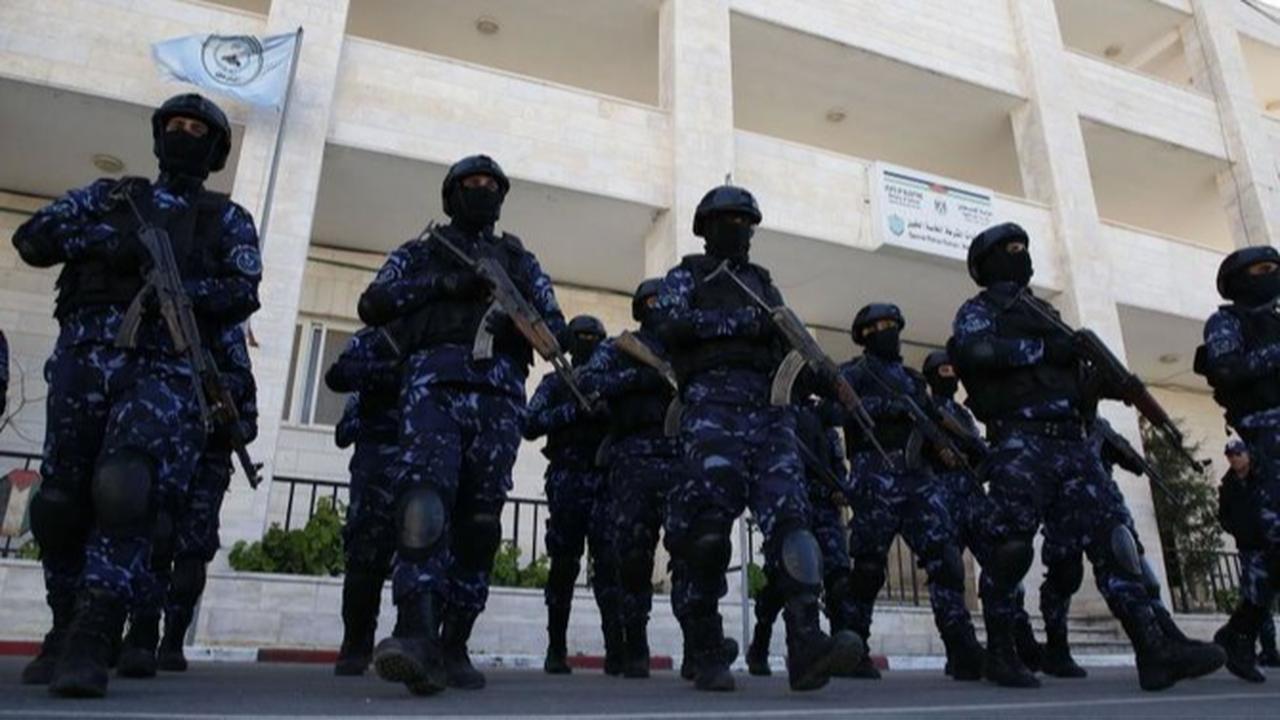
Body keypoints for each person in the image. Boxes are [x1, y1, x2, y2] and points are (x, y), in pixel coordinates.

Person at [13, 93, 261, 698]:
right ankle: (63, 621)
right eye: (175, 125)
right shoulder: (109, 197)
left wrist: (181, 284)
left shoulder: (225, 219)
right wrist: (106, 243)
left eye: (197, 129)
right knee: (60, 500)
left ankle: (96, 632)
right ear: (157, 135)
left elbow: (242, 291)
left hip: (164, 370)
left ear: (215, 150)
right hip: (83, 360)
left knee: (126, 490)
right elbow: (33, 239)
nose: (184, 134)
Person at [950, 221, 1222, 691]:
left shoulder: (1046, 313)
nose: (1021, 254)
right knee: (1010, 549)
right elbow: (974, 354)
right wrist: (1044, 349)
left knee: (1117, 542)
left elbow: (1071, 382)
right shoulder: (980, 310)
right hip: (1022, 442)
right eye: (1010, 248)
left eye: (1023, 247)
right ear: (987, 263)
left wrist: (1104, 384)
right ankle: (1001, 652)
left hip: (1073, 444)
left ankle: (1153, 649)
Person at [358, 154, 569, 696]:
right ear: (451, 195)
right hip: (433, 386)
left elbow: (555, 326)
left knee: (479, 521)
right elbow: (373, 303)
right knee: (423, 502)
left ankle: (454, 642)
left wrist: (516, 316)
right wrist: (443, 284)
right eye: (471, 184)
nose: (481, 192)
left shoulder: (519, 260)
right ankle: (416, 631)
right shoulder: (420, 252)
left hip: (499, 396)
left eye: (490, 185)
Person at [654, 183, 863, 693]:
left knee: (794, 527)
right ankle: (706, 646)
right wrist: (742, 322)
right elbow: (670, 327)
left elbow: (789, 343)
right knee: (707, 533)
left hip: (771, 415)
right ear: (707, 228)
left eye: (747, 223)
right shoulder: (687, 277)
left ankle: (806, 643)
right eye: (730, 221)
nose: (741, 231)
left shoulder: (763, 284)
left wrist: (824, 376)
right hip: (713, 411)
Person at [840, 305, 983, 681]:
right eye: (880, 327)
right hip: (875, 474)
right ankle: (853, 646)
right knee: (869, 567)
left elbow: (931, 422)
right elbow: (835, 409)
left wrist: (946, 447)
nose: (888, 332)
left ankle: (961, 647)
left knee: (946, 560)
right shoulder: (854, 373)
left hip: (918, 479)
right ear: (864, 335)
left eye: (893, 326)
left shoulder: (914, 381)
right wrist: (887, 407)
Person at [119, 323, 258, 677]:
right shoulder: (161, 329)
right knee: (157, 537)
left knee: (194, 550)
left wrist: (227, 418)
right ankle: (142, 630)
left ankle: (173, 638)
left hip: (207, 462)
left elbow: (248, 416)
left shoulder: (227, 340)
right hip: (165, 450)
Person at [577, 280, 681, 678]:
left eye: (665, 301)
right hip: (633, 458)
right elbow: (588, 382)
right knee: (634, 555)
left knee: (693, 551)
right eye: (652, 301)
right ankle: (634, 642)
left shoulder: (684, 349)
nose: (660, 307)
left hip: (680, 458)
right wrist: (637, 381)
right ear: (640, 309)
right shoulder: (619, 349)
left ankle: (700, 645)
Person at [921, 351, 1042, 678]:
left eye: (953, 370)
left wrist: (981, 459)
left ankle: (1019, 637)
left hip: (973, 496)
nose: (951, 376)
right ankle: (960, 649)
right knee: (947, 572)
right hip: (941, 497)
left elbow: (979, 453)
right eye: (944, 371)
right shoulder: (925, 410)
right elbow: (915, 455)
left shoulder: (962, 413)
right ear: (932, 376)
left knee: (1003, 563)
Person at [1197, 245, 1280, 683]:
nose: (1271, 276)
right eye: (1262, 270)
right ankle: (1242, 632)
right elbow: (1227, 370)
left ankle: (1240, 632)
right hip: (1266, 439)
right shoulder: (1226, 322)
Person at [523, 315, 621, 675]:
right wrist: (573, 411)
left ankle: (617, 649)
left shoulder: (611, 383)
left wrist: (609, 413)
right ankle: (556, 648)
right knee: (564, 565)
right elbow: (529, 423)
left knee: (609, 565)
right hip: (567, 479)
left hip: (604, 480)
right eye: (581, 337)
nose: (587, 343)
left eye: (594, 338)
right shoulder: (555, 383)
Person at [746, 384, 856, 679]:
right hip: (792, 504)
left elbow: (836, 462)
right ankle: (760, 643)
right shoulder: (777, 411)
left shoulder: (819, 417)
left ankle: (839, 645)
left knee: (839, 576)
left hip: (823, 506)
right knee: (783, 578)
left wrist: (841, 489)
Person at [325, 325, 408, 676]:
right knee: (364, 553)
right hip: (377, 460)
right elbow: (337, 375)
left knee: (425, 552)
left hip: (427, 455)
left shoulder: (437, 328)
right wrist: (388, 373)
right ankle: (356, 643)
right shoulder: (375, 337)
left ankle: (414, 642)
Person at [1218, 439, 1280, 677]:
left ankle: (1238, 639)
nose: (1234, 458)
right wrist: (1240, 530)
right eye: (1230, 455)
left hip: (1273, 544)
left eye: (1237, 454)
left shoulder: (1265, 475)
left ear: (1248, 454)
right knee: (1257, 596)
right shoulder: (1229, 486)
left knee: (1262, 596)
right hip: (1251, 549)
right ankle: (1245, 647)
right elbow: (1224, 516)